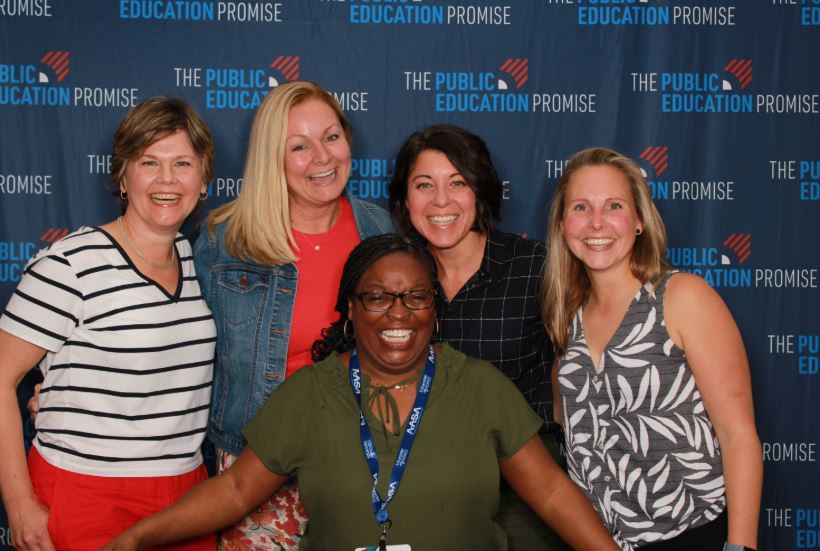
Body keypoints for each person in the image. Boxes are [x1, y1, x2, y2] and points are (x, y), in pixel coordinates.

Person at [101, 234, 620, 551]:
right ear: (350, 308)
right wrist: (142, 535)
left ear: (434, 309)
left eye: (416, 297)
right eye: (377, 297)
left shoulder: (480, 385)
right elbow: (237, 491)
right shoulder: (310, 393)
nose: (398, 313)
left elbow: (551, 493)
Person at [0, 97, 217, 551]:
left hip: (186, 495)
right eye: (148, 162)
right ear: (123, 175)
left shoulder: (203, 261)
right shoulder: (69, 264)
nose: (167, 180)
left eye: (183, 163)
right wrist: (19, 503)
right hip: (86, 491)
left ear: (203, 178)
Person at [193, 80, 392, 549]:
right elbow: (178, 340)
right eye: (299, 146)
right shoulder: (226, 239)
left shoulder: (378, 230)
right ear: (272, 158)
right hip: (252, 467)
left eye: (331, 137)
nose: (322, 158)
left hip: (356, 464)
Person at [542, 147, 763, 551]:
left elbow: (739, 436)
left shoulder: (681, 298)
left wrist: (741, 548)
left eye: (613, 205)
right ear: (562, 223)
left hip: (693, 536)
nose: (596, 222)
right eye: (580, 207)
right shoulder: (566, 319)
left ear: (639, 220)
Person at [388, 124, 566, 550]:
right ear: (404, 198)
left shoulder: (535, 267)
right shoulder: (395, 277)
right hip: (424, 480)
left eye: (458, 183)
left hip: (525, 486)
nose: (441, 200)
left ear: (480, 190)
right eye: (424, 184)